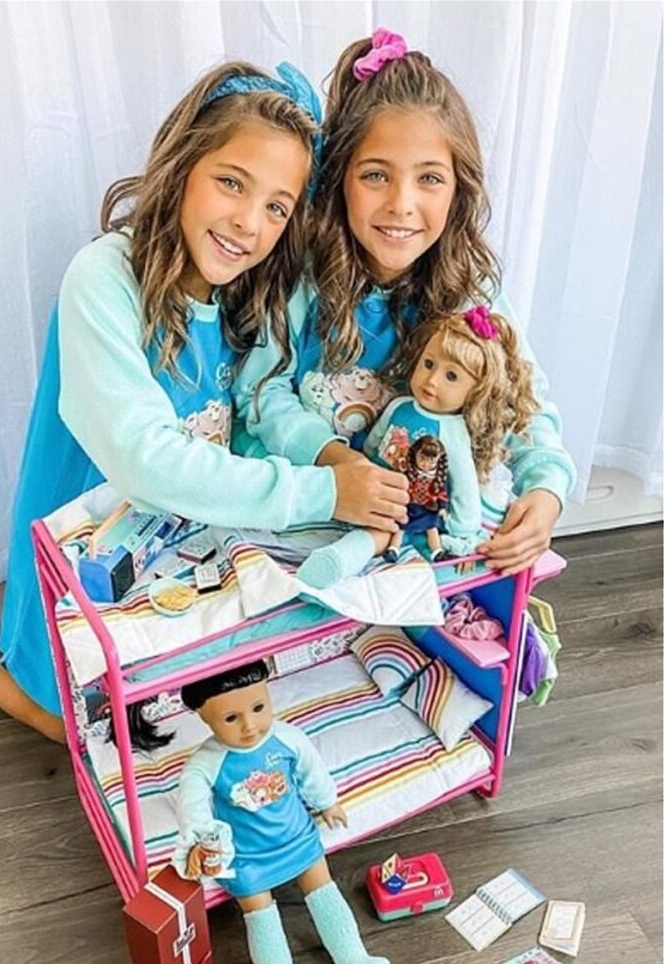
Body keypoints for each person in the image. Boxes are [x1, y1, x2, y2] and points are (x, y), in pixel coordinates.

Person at [0, 60, 410, 742]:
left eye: (276, 206)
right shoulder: (104, 279)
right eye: (232, 183)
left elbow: (250, 414)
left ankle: (4, 606)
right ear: (183, 166)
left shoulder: (244, 291)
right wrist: (322, 493)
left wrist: (335, 463)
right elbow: (144, 458)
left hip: (170, 548)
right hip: (88, 541)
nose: (248, 223)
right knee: (68, 724)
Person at [236, 28, 576, 578]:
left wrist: (546, 488)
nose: (402, 204)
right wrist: (336, 462)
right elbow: (260, 392)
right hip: (310, 516)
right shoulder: (301, 278)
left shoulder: (468, 290)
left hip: (423, 533)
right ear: (339, 179)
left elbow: (520, 398)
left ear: (458, 188)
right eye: (376, 175)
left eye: (430, 179)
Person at [173, 660, 389, 964]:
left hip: (296, 837)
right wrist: (201, 842)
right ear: (204, 718)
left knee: (324, 890)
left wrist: (327, 802)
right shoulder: (205, 763)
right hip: (247, 856)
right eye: (231, 718)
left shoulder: (287, 738)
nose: (250, 726)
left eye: (259, 707)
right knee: (259, 915)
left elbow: (311, 770)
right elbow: (191, 806)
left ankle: (354, 960)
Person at [298, 306, 541, 586]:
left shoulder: (453, 432)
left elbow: (464, 486)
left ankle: (337, 560)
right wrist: (361, 466)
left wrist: (464, 534)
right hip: (373, 487)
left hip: (414, 504)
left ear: (477, 390)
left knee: (380, 533)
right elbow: (375, 442)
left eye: (452, 376)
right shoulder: (399, 406)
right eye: (428, 364)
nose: (432, 380)